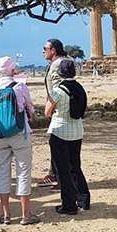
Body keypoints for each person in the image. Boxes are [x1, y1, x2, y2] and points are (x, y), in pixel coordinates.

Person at [0, 56, 40, 225]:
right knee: (23, 171)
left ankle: (5, 214)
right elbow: (30, 107)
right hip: (20, 133)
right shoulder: (20, 86)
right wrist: (31, 115)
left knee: (3, 172)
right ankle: (26, 214)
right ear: (13, 70)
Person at [45, 58, 90, 214]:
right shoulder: (80, 88)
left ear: (60, 72)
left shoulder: (58, 90)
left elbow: (47, 112)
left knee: (63, 170)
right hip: (77, 130)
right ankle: (84, 199)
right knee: (75, 166)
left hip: (60, 132)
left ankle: (69, 205)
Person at [38, 38, 66, 188]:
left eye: (45, 48)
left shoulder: (57, 65)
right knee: (55, 144)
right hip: (56, 110)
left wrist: (50, 108)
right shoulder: (55, 64)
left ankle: (59, 177)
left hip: (58, 112)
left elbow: (57, 89)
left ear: (53, 50)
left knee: (58, 145)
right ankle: (55, 174)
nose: (43, 51)